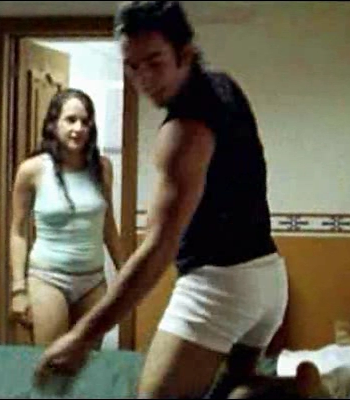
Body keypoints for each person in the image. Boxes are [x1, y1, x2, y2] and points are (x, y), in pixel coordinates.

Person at [34, 2, 289, 398]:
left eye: (154, 62)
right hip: (269, 277)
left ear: (184, 53)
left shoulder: (183, 134)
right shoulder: (223, 85)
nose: (143, 78)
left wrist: (82, 337)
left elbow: (158, 248)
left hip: (221, 284)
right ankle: (298, 389)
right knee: (232, 390)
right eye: (132, 66)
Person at [9, 88, 124, 346]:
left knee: (89, 361)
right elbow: (17, 231)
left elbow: (108, 225)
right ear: (54, 124)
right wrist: (18, 290)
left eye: (85, 121)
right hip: (48, 279)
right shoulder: (32, 170)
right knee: (53, 360)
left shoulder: (102, 167)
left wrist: (125, 273)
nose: (78, 128)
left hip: (93, 282)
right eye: (70, 120)